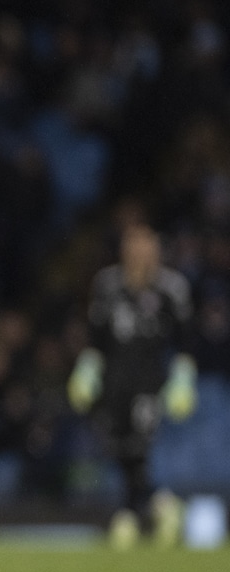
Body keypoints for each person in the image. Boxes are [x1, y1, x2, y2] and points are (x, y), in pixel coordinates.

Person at [67, 221, 198, 549]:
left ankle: (126, 514)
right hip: (114, 382)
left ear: (155, 249)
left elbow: (185, 341)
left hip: (150, 382)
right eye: (133, 246)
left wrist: (182, 379)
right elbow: (96, 337)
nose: (140, 253)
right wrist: (87, 370)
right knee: (119, 447)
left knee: (138, 446)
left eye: (146, 245)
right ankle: (161, 504)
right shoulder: (107, 284)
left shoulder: (171, 288)